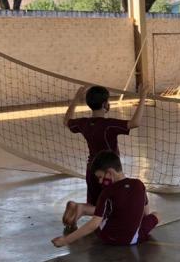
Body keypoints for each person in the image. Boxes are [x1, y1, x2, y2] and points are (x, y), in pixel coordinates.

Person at [62, 83, 147, 233]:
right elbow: (135, 123)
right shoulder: (108, 125)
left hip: (92, 171)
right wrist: (143, 97)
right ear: (105, 104)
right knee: (111, 207)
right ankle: (81, 209)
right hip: (108, 173)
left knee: (96, 204)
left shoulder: (84, 123)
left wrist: (76, 99)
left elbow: (66, 121)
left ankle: (76, 207)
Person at [52, 151, 158, 247]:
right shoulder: (139, 184)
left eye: (100, 177)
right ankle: (83, 209)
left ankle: (83, 209)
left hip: (107, 237)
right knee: (157, 215)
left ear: (110, 173)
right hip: (132, 240)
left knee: (106, 211)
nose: (100, 181)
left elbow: (94, 224)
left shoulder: (107, 192)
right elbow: (145, 214)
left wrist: (65, 240)